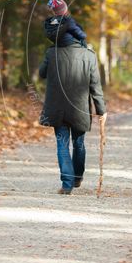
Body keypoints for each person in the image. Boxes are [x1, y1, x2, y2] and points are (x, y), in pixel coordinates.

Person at [39, 39, 106, 194]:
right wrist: (101, 110)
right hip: (80, 108)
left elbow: (42, 73)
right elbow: (95, 85)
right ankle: (76, 178)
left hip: (58, 108)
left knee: (62, 145)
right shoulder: (89, 55)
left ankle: (67, 184)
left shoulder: (52, 52)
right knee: (79, 143)